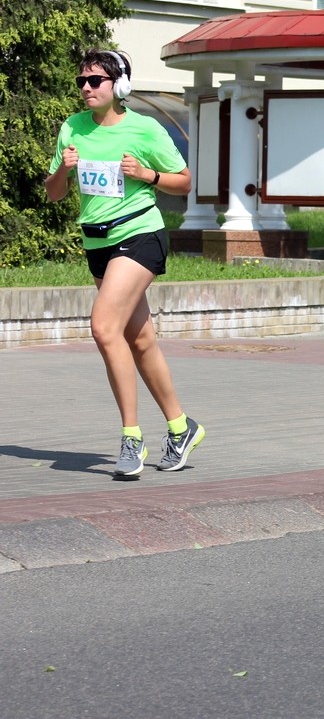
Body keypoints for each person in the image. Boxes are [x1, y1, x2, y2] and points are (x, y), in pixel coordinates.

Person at [44, 49, 205, 479]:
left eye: (95, 81)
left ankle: (131, 437)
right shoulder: (72, 128)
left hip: (139, 235)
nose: (86, 88)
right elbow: (55, 193)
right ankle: (181, 426)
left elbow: (185, 181)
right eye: (82, 81)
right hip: (96, 242)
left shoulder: (145, 128)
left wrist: (147, 175)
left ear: (120, 86)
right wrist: (63, 168)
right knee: (140, 340)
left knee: (103, 327)